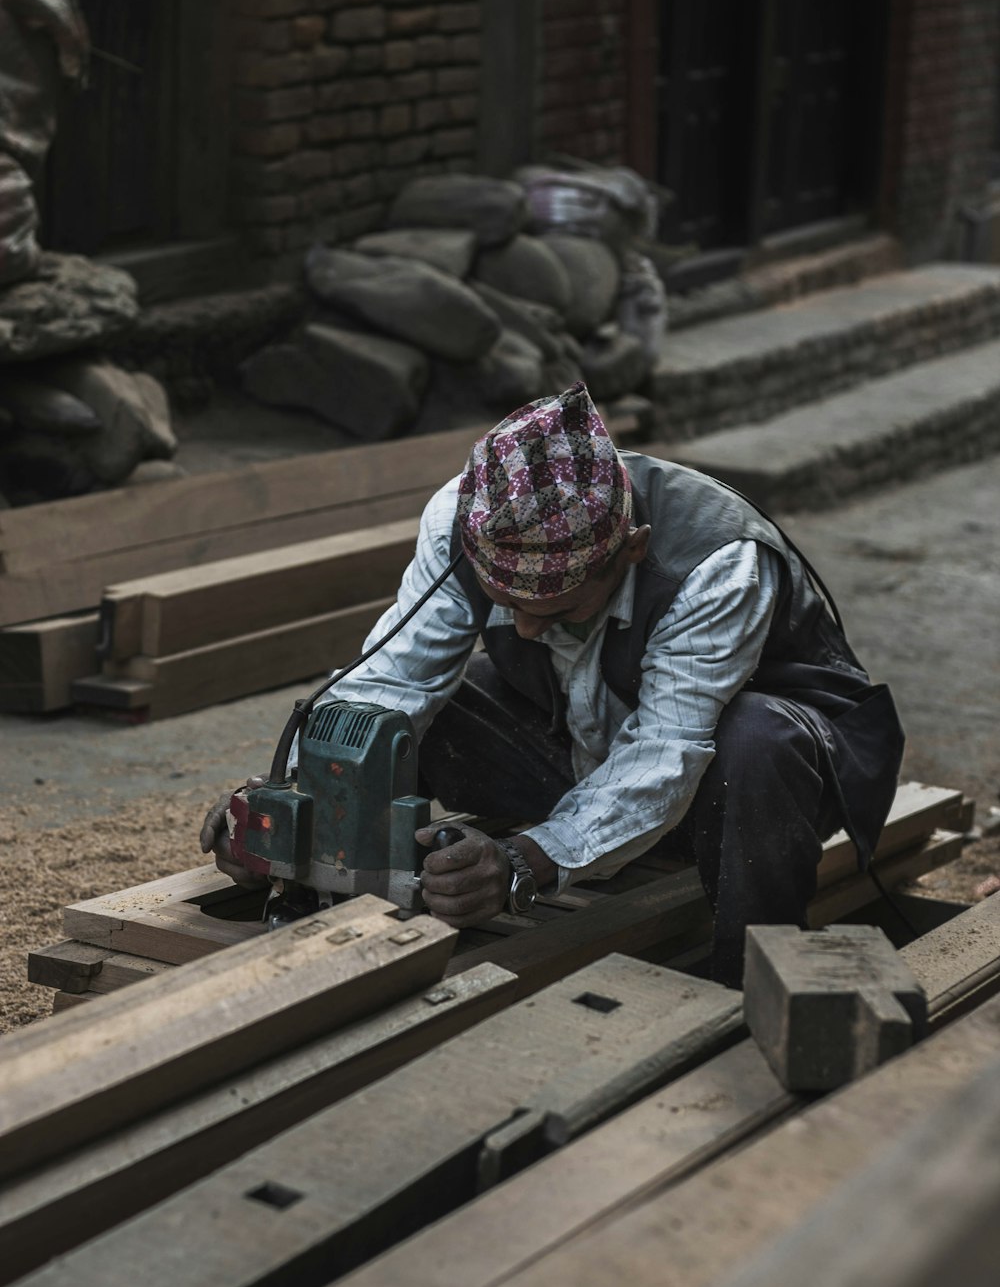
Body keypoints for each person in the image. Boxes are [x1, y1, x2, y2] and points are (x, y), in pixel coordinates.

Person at [202, 382, 904, 987]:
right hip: (578, 749)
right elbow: (389, 680)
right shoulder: (470, 520)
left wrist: (523, 863)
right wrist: (291, 808)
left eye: (559, 610)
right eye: (509, 609)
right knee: (408, 718)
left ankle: (747, 984)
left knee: (758, 737)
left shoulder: (720, 562)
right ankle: (346, 877)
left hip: (754, 789)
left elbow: (665, 750)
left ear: (630, 548)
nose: (527, 633)